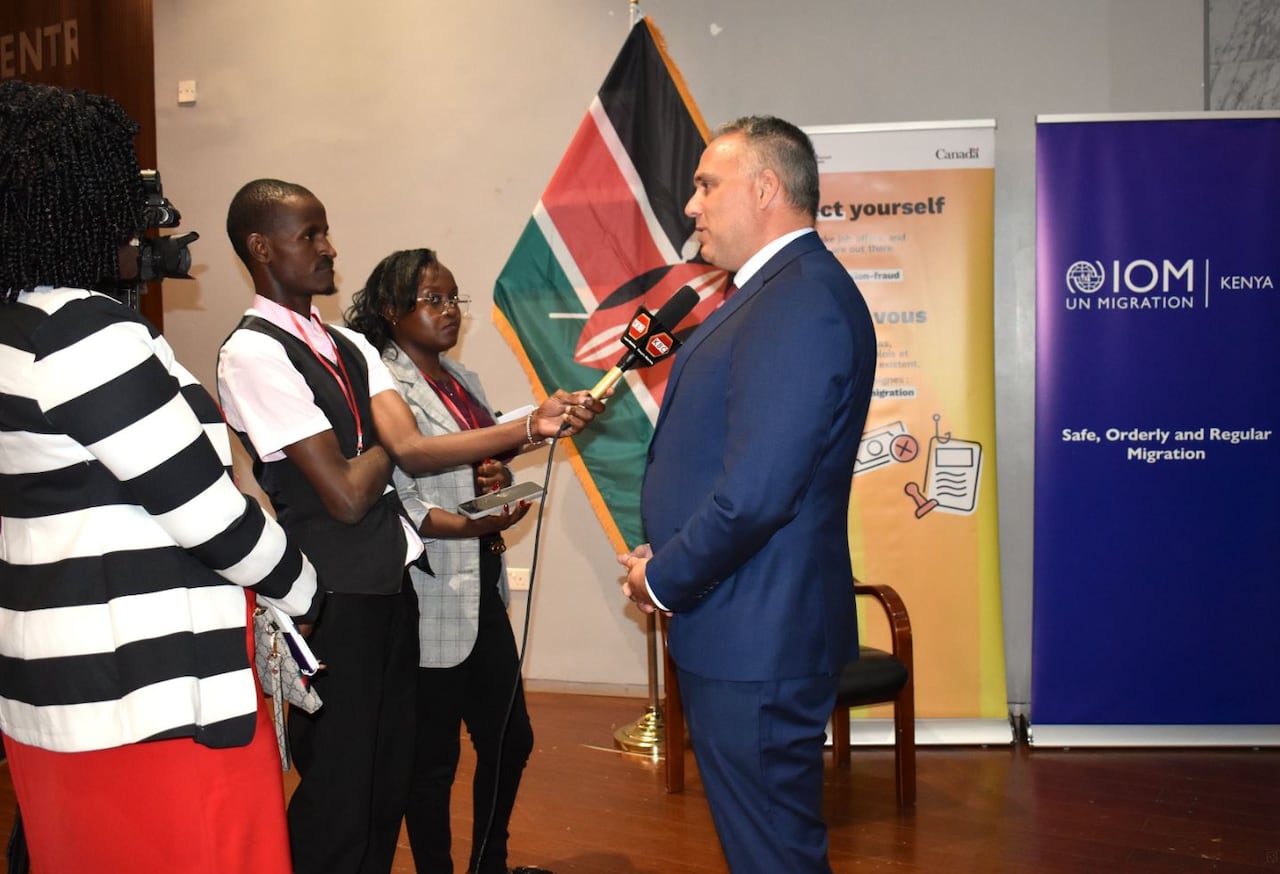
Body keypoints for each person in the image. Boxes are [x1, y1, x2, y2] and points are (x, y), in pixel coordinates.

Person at [218, 180, 601, 874]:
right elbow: (346, 496)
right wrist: (391, 447)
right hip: (330, 595)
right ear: (261, 248)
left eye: (326, 231)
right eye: (310, 235)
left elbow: (411, 448)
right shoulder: (254, 352)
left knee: (385, 784)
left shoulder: (347, 345)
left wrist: (525, 426)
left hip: (394, 588)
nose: (330, 248)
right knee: (340, 791)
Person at [0, 81, 321, 874]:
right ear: (84, 200)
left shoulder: (15, 328)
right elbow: (207, 515)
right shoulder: (83, 333)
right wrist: (304, 587)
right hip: (151, 698)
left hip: (55, 694)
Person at [618, 116, 877, 872]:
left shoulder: (798, 301)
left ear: (765, 188)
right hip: (742, 618)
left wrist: (663, 577)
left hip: (757, 630)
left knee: (772, 854)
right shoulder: (773, 292)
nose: (691, 205)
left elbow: (759, 492)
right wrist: (668, 553)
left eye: (707, 185)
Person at [345, 248, 553, 874]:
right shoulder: (382, 385)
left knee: (511, 739)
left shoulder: (464, 379)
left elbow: (482, 462)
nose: (448, 311)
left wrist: (497, 480)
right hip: (426, 593)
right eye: (431, 300)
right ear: (391, 309)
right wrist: (468, 524)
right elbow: (400, 503)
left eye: (453, 299)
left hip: (482, 585)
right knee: (431, 762)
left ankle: (490, 863)